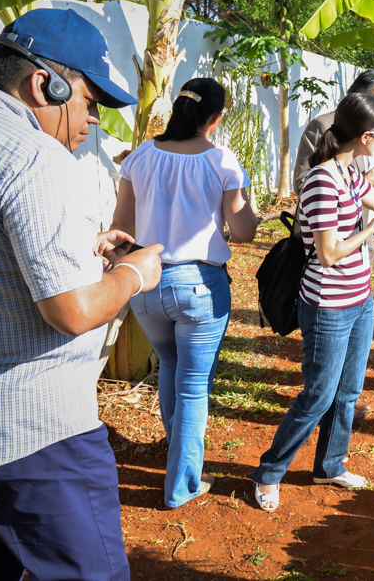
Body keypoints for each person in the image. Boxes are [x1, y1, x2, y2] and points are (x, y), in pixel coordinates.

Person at [0, 8, 163, 581]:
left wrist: (79, 244)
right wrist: (134, 274)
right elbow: (71, 310)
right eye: (89, 100)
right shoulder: (36, 156)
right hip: (38, 435)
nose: (92, 119)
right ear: (46, 83)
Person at [252, 93, 374, 511]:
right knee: (318, 396)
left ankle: (330, 464)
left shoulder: (348, 174)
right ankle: (269, 471)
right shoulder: (323, 181)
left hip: (360, 299)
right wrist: (371, 228)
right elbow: (328, 253)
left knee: (348, 391)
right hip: (328, 304)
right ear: (364, 137)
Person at [110, 78, 259, 508]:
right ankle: (182, 485)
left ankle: (182, 463)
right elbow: (244, 231)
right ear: (215, 118)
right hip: (199, 287)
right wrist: (252, 207)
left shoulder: (139, 156)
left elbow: (122, 228)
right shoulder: (221, 161)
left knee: (171, 369)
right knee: (194, 385)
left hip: (147, 283)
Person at [293, 69, 374, 422]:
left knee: (348, 358)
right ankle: (322, 399)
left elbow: (369, 196)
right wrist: (358, 185)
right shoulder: (325, 129)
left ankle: (341, 403)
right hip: (328, 246)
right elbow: (305, 181)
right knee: (322, 367)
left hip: (357, 246)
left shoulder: (370, 140)